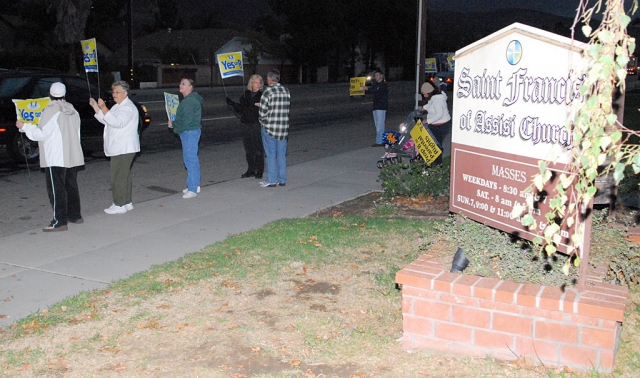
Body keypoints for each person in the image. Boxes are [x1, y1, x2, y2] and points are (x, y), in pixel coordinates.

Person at [15, 82, 84, 232]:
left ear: (50, 94)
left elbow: (41, 134)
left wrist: (25, 126)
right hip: (72, 155)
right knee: (70, 186)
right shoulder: (72, 110)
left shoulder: (50, 111)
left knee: (56, 189)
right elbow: (78, 133)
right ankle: (75, 215)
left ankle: (59, 221)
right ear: (64, 94)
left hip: (56, 157)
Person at [90, 80, 140, 214]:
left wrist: (104, 108)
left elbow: (118, 122)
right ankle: (127, 202)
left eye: (117, 92)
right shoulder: (118, 106)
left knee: (117, 176)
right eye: (113, 91)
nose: (114, 94)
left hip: (124, 147)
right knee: (124, 175)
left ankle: (119, 204)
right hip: (120, 147)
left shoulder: (128, 107)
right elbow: (107, 120)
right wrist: (96, 107)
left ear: (125, 93)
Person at [168, 78, 203, 198]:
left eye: (184, 84)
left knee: (190, 159)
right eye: (180, 83)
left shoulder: (189, 102)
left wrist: (174, 125)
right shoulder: (189, 100)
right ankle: (194, 184)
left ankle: (192, 189)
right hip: (191, 131)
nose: (180, 85)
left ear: (190, 87)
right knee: (191, 158)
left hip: (189, 132)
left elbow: (186, 121)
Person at [226, 74, 265, 179]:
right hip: (245, 123)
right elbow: (241, 109)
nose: (257, 84)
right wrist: (232, 104)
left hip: (256, 123)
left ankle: (259, 170)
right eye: (255, 82)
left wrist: (251, 103)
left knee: (258, 148)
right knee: (248, 149)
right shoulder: (245, 94)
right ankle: (251, 169)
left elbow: (260, 107)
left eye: (259, 82)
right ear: (251, 83)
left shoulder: (262, 95)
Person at [258, 69, 290, 188]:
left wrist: (263, 123)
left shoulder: (268, 92)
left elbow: (262, 112)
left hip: (270, 128)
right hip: (283, 128)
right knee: (281, 154)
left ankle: (271, 179)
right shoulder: (286, 91)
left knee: (270, 154)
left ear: (270, 79)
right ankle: (282, 179)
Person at [421, 81, 451, 165]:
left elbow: (439, 114)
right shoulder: (433, 98)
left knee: (436, 146)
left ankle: (438, 164)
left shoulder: (438, 100)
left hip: (442, 126)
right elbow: (430, 105)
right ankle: (434, 162)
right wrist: (423, 108)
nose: (424, 96)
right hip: (434, 125)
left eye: (425, 94)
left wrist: (427, 121)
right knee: (433, 144)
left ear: (430, 92)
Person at [363, 69, 388, 147]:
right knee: (377, 125)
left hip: (381, 107)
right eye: (375, 75)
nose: (376, 77)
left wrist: (368, 89)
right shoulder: (377, 85)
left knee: (380, 125)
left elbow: (376, 91)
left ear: (381, 76)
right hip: (376, 107)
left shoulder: (383, 85)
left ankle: (379, 141)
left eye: (377, 75)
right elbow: (371, 91)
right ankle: (380, 140)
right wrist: (357, 90)